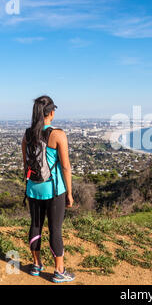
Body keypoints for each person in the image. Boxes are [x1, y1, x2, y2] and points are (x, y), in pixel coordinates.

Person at [22, 95, 75, 283]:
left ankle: (36, 265)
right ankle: (59, 271)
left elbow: (26, 164)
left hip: (33, 189)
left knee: (35, 225)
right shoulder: (57, 134)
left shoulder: (27, 135)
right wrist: (69, 192)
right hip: (54, 190)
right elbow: (66, 167)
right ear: (51, 112)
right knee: (55, 230)